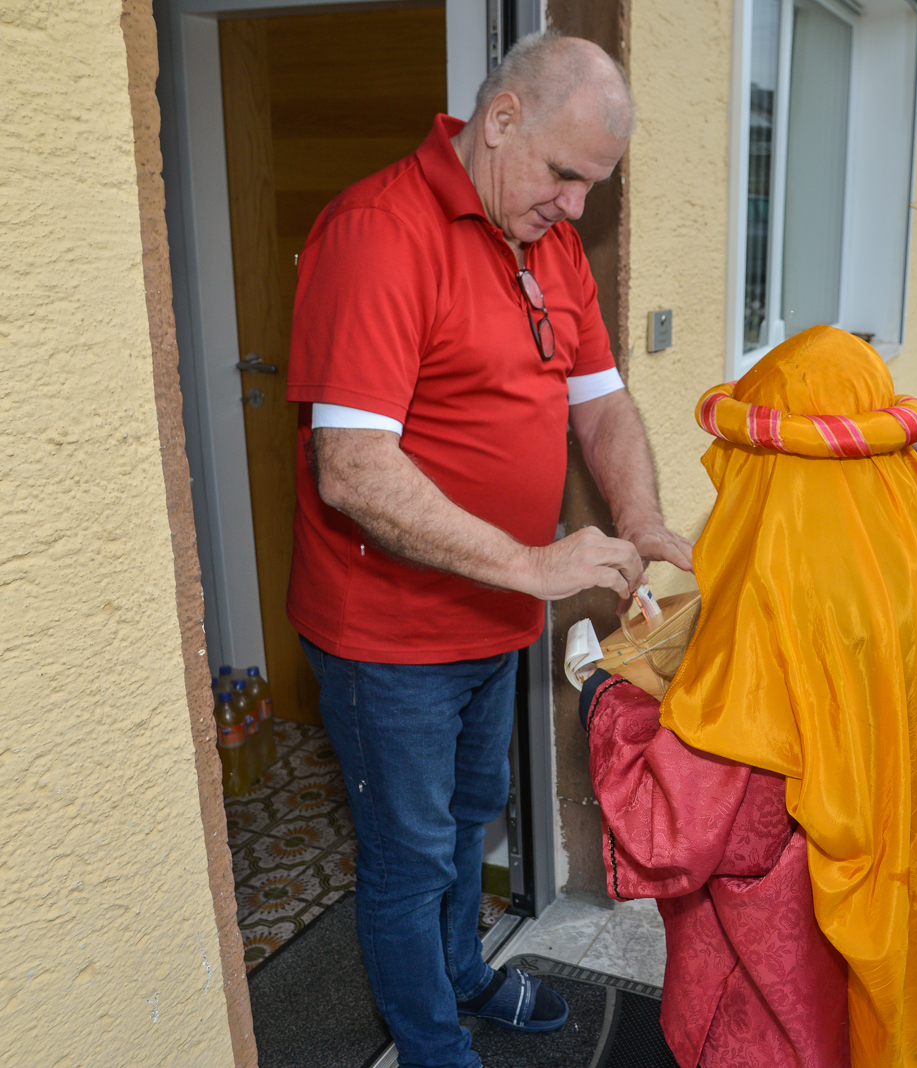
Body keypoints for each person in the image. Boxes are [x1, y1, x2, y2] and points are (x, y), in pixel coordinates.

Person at [283, 32, 693, 1068]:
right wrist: (536, 566)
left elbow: (602, 407)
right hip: (387, 637)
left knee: (474, 813)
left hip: (492, 618)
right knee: (409, 858)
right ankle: (432, 1046)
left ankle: (464, 972)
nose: (576, 207)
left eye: (594, 185)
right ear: (500, 119)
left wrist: (642, 520)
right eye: (565, 174)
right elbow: (352, 469)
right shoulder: (378, 232)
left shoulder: (545, 240)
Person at [579, 326, 917, 1068]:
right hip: (889, 928)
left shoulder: (769, 614)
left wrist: (607, 697)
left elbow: (676, 825)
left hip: (777, 995)